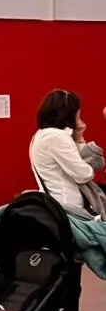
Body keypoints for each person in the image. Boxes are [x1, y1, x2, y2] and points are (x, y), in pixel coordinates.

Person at [31, 89, 100, 219]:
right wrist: (90, 167)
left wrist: (78, 137)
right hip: (69, 209)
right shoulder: (57, 137)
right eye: (78, 114)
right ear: (69, 114)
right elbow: (83, 174)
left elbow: (76, 159)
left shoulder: (41, 135)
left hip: (56, 205)